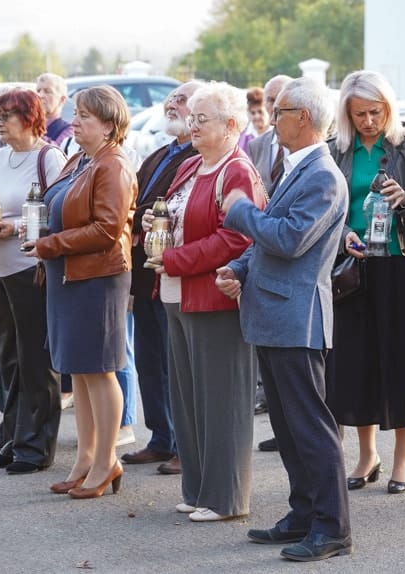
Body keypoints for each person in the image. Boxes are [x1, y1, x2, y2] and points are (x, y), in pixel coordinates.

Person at [216, 76, 352, 561]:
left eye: (281, 110)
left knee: (310, 426)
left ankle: (332, 526)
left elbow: (291, 238)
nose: (273, 118)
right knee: (290, 425)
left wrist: (240, 211)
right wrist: (236, 267)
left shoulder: (323, 175)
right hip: (275, 311)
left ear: (305, 118)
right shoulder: (298, 166)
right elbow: (270, 240)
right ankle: (304, 513)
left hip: (297, 316)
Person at [142, 82, 267, 522]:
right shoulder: (191, 164)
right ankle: (197, 490)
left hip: (213, 295)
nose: (192, 125)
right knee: (189, 399)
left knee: (222, 401)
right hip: (175, 294)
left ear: (232, 125)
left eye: (202, 118)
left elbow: (236, 237)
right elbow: (169, 210)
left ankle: (225, 498)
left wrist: (174, 258)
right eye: (191, 117)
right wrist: (153, 221)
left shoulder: (237, 170)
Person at [327, 70, 405, 494]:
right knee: (356, 363)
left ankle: (404, 456)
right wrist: (344, 235)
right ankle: (366, 455)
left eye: (375, 112)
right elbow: (328, 212)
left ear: (389, 108)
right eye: (359, 113)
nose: (368, 121)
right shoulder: (335, 150)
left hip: (402, 264)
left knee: (401, 361)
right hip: (353, 267)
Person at [30, 85, 137, 499]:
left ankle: (107, 461)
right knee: (80, 370)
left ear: (109, 125)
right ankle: (86, 458)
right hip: (67, 277)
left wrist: (49, 245)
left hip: (98, 278)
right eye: (74, 114)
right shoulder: (79, 159)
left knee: (100, 368)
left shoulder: (113, 165)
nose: (74, 122)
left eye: (84, 117)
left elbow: (108, 230)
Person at [0, 88, 65, 474]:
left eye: (6, 117)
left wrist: (12, 227)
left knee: (35, 359)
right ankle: (14, 437)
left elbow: (56, 211)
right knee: (9, 358)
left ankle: (38, 445)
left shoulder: (48, 157)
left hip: (28, 267)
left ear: (30, 118)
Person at [122, 81, 204, 476]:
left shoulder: (200, 155)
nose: (172, 103)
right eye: (171, 98)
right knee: (150, 359)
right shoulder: (160, 153)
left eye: (182, 99)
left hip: (175, 270)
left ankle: (182, 445)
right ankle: (160, 437)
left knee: (176, 363)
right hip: (145, 271)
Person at [247, 74, 292, 439]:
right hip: (261, 251)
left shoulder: (315, 152)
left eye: (281, 101)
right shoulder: (259, 146)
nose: (273, 109)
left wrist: (241, 213)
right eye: (270, 101)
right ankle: (281, 429)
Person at [36, 73, 73, 146]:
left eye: (47, 91)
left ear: (62, 100)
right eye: (38, 91)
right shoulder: (30, 125)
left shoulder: (69, 130)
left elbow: (58, 151)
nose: (40, 95)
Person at [238, 86, 268, 153]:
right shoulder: (242, 136)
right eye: (253, 113)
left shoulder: (275, 134)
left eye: (260, 112)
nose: (257, 116)